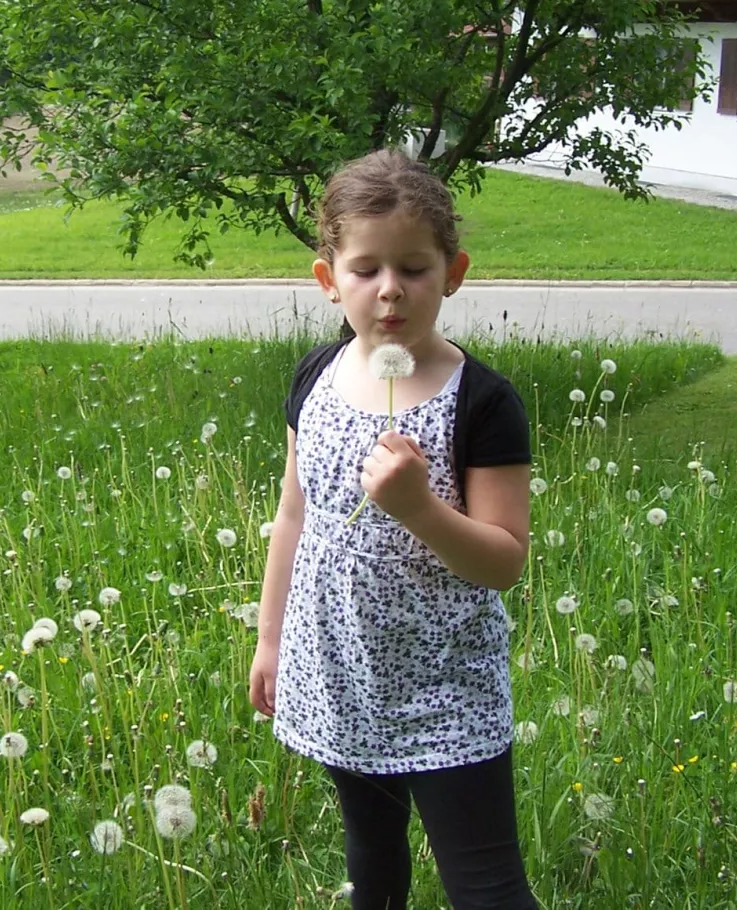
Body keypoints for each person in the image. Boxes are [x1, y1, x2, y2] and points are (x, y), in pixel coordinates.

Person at [249, 149, 538, 909]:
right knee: (372, 869)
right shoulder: (315, 377)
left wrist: (419, 509)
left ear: (454, 272)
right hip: (340, 675)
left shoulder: (481, 401)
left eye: (413, 269)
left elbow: (503, 562)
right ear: (327, 278)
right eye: (366, 269)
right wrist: (271, 638)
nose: (389, 291)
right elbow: (294, 514)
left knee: (486, 886)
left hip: (446, 689)